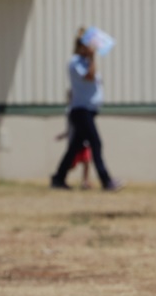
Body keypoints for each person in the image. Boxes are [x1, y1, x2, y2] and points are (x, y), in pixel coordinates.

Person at [50, 29, 121, 192]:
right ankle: (106, 180)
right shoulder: (75, 62)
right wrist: (92, 57)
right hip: (81, 110)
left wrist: (91, 59)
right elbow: (89, 77)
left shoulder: (86, 62)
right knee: (96, 143)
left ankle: (58, 178)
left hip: (88, 110)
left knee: (74, 148)